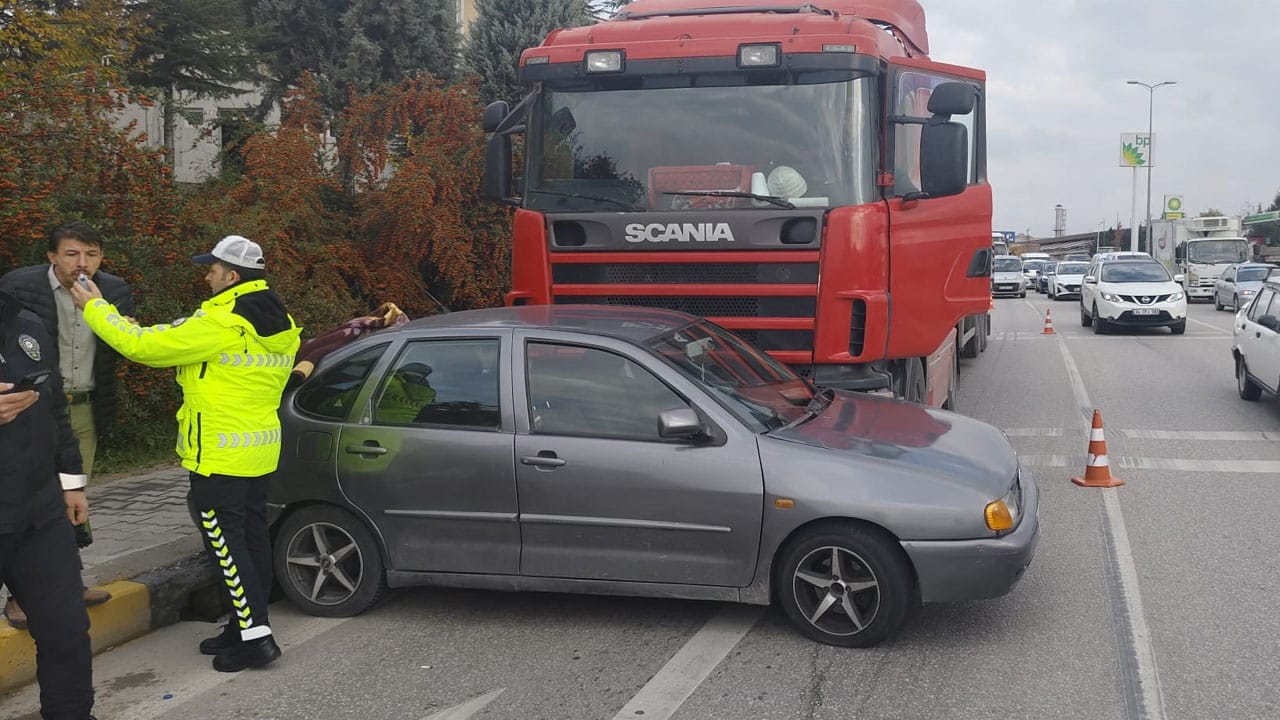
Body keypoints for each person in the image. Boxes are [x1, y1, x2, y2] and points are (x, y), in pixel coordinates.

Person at [70, 234, 301, 673]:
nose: (207, 275)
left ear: (232, 276)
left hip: (218, 454)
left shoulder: (223, 321)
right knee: (251, 544)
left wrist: (96, 308)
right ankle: (245, 625)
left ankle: (256, 641)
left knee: (227, 549)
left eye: (212, 268)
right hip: (257, 452)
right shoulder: (278, 319)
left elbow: (143, 346)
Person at [0, 221, 132, 628]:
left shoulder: (114, 290)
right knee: (31, 500)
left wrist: (98, 310)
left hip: (85, 407)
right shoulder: (19, 287)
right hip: (30, 409)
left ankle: (65, 581)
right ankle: (21, 596)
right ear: (52, 256)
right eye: (72, 253)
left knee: (72, 496)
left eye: (91, 255)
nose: (82, 263)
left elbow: (122, 344)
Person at [0, 287, 96, 719]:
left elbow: (57, 410)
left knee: (67, 630)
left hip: (38, 509)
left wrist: (72, 482)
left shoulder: (26, 321)